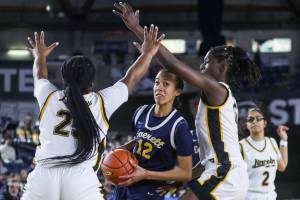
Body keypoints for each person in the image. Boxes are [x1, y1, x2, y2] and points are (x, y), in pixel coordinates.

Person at [113, 2, 261, 199]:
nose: (201, 66)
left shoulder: (217, 90)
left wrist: (138, 30)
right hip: (226, 173)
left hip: (225, 174)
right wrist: (174, 184)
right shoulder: (221, 97)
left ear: (223, 65)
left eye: (207, 61)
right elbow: (208, 160)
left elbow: (173, 64)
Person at [21, 26, 165, 200]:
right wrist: (147, 54)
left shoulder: (48, 96)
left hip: (43, 176)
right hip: (80, 180)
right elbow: (132, 77)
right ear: (92, 82)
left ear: (63, 79)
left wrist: (40, 56)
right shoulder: (103, 102)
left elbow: (40, 74)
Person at [112, 69, 193, 200]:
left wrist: (146, 174)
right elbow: (138, 140)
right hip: (125, 182)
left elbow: (186, 173)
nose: (159, 87)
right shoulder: (140, 112)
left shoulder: (179, 126)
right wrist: (124, 148)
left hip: (149, 189)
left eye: (166, 84)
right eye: (157, 83)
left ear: (177, 92)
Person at [239, 107, 289, 200]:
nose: (254, 121)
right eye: (250, 119)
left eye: (258, 118)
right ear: (247, 125)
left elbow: (282, 167)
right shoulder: (240, 146)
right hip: (249, 196)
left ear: (265, 123)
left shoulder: (272, 142)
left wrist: (283, 140)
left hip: (270, 196)